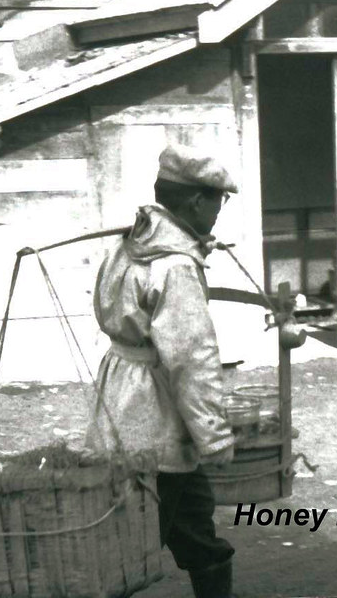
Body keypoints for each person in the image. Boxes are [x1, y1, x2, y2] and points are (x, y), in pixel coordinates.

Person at [86, 141, 239, 598]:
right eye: (218, 200)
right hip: (153, 409)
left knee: (193, 522)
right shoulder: (174, 266)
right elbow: (192, 359)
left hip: (122, 389)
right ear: (196, 201)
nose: (219, 211)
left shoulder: (133, 242)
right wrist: (214, 435)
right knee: (141, 528)